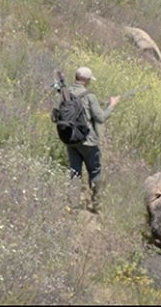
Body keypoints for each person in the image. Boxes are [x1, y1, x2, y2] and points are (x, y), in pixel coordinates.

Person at [54, 65, 119, 213]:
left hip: (71, 139)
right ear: (86, 80)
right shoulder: (90, 96)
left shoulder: (65, 93)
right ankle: (96, 206)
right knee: (95, 172)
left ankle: (72, 205)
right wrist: (112, 105)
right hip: (88, 141)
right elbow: (100, 118)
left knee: (75, 172)